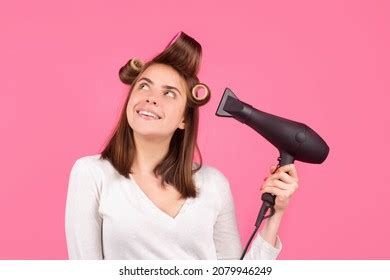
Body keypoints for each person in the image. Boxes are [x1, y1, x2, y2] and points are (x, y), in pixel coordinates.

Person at [65, 31, 299, 260]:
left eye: (169, 93)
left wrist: (275, 214)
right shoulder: (92, 174)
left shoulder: (213, 184)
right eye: (144, 86)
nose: (151, 97)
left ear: (184, 120)